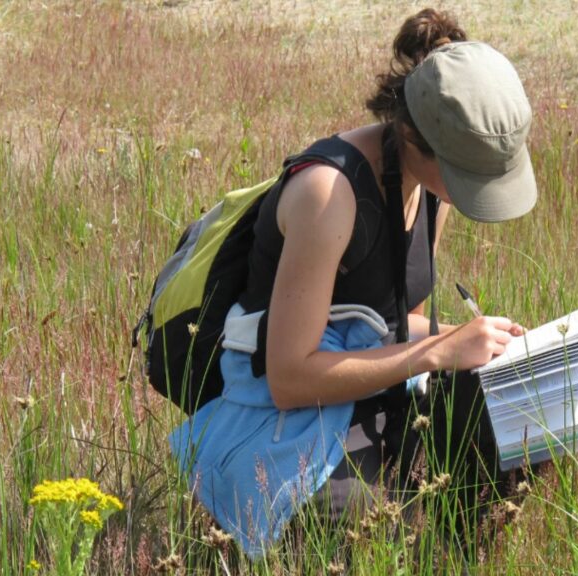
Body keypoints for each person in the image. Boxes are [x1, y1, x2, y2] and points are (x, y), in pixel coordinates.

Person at [169, 8, 538, 558]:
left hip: (362, 395)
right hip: (284, 417)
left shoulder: (431, 188)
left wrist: (474, 340)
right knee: (377, 526)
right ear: (414, 134)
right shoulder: (329, 194)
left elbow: (387, 325)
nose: (473, 191)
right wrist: (438, 352)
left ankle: (455, 556)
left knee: (524, 425)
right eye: (469, 176)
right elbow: (289, 378)